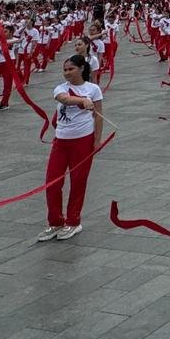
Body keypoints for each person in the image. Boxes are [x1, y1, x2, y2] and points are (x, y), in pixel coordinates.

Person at [38, 54, 104, 241]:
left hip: (83, 141)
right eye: (65, 69)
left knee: (78, 182)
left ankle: (74, 222)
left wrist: (97, 141)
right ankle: (55, 222)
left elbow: (98, 116)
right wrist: (82, 101)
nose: (67, 73)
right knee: (52, 183)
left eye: (71, 69)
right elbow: (65, 99)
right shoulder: (61, 88)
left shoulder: (93, 89)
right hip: (61, 141)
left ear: (81, 68)